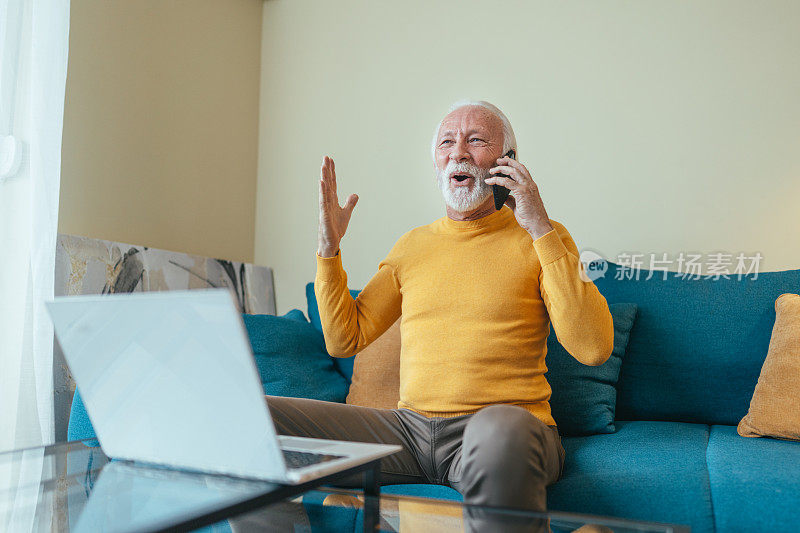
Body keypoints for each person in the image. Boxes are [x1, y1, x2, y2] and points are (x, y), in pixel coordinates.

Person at [247, 100, 614, 533]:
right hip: (409, 433)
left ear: (508, 162)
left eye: (476, 140)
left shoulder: (541, 236)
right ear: (436, 163)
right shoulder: (413, 246)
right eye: (446, 142)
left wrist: (538, 227)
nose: (458, 151)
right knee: (250, 417)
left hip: (502, 432)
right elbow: (343, 339)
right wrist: (329, 249)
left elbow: (593, 348)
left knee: (498, 428)